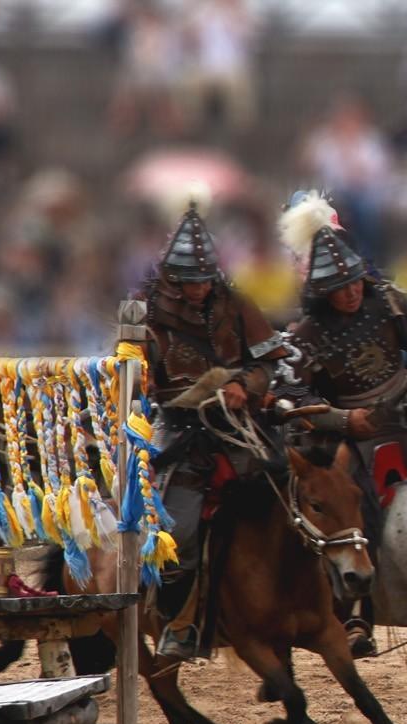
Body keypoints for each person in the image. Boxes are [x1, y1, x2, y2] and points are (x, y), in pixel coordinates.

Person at [276, 191, 407, 657]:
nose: (352, 291)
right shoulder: (305, 335)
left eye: (356, 281)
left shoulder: (392, 301)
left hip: (402, 422)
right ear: (321, 291)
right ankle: (357, 613)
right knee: (358, 513)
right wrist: (343, 419)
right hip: (349, 439)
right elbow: (293, 392)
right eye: (340, 287)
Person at [137, 203, 284, 663]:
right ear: (173, 280)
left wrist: (244, 384)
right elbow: (132, 377)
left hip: (241, 427)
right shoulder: (144, 315)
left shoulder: (236, 303)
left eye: (205, 278)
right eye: (191, 280)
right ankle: (177, 624)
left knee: (295, 497)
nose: (200, 288)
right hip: (179, 431)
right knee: (177, 532)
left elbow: (265, 362)